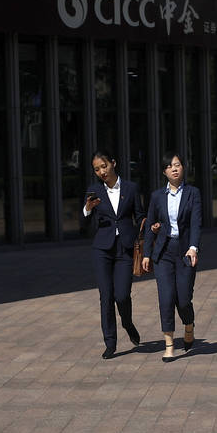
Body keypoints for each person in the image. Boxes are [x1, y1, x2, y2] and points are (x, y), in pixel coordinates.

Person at [82, 150, 144, 359]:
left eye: (104, 166)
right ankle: (110, 343)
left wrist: (146, 232)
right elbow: (85, 227)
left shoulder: (131, 188)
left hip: (125, 249)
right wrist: (88, 209)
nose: (101, 171)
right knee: (106, 296)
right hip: (102, 250)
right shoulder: (94, 191)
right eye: (97, 169)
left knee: (122, 295)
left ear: (113, 163)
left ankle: (127, 323)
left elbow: (140, 216)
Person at [142, 152, 202, 362]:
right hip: (164, 253)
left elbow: (195, 223)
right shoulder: (157, 196)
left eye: (177, 165)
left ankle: (189, 325)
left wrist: (193, 247)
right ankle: (169, 345)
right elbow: (151, 225)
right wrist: (147, 254)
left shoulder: (193, 193)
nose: (174, 168)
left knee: (183, 300)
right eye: (169, 166)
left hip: (185, 252)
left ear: (183, 168)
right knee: (166, 299)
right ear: (165, 172)